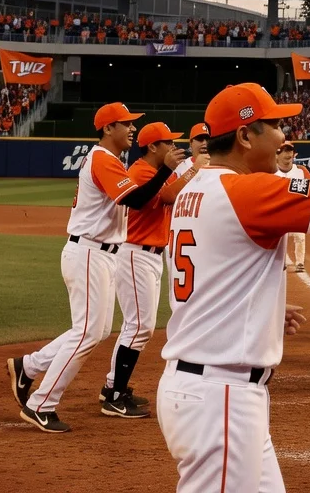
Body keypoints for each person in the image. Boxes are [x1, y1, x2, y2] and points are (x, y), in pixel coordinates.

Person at [158, 73, 310, 491]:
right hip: (219, 396)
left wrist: (260, 309)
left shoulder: (194, 188)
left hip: (212, 386)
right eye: (274, 125)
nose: (282, 134)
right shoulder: (246, 191)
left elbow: (215, 271)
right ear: (244, 134)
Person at [7, 102, 181, 433]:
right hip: (89, 252)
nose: (132, 129)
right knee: (87, 331)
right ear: (106, 129)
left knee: (94, 331)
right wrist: (165, 171)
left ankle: (27, 367)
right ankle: (41, 404)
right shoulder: (102, 159)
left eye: (132, 124)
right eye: (125, 124)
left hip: (100, 253)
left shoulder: (110, 160)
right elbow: (136, 200)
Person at [99, 121, 187, 420]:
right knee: (139, 327)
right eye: (168, 143)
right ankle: (113, 395)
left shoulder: (150, 171)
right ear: (153, 147)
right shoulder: (140, 171)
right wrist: (193, 170)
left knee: (137, 326)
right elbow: (166, 196)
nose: (173, 148)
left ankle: (113, 387)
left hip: (147, 255)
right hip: (136, 253)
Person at [273, 142, 310, 272]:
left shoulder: (301, 171)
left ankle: (300, 262)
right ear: (277, 155)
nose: (288, 154)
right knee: (278, 239)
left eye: (290, 151)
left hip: (296, 211)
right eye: (284, 151)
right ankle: (281, 261)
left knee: (300, 237)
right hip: (278, 213)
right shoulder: (272, 171)